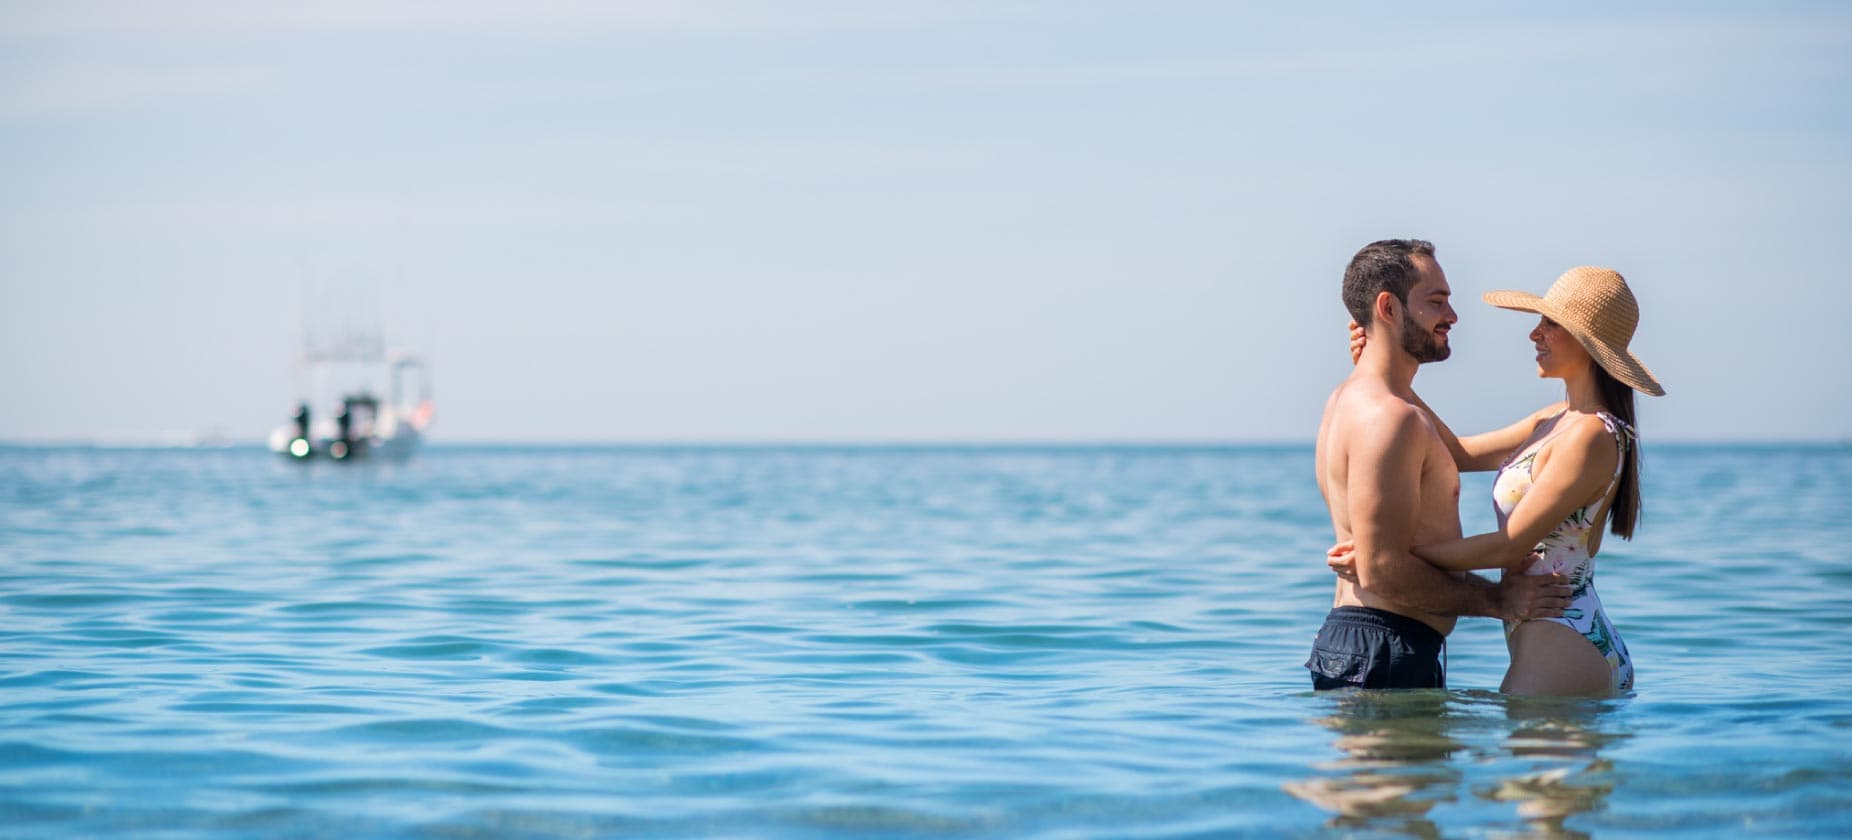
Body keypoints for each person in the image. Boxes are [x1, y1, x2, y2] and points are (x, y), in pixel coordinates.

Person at [1331, 266, 1664, 696]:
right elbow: (1457, 453)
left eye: (1550, 324)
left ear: (1586, 343)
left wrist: (1392, 557)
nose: (1534, 334)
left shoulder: (1591, 437)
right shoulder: (1553, 420)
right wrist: (1384, 374)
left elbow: (1510, 544)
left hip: (1564, 639)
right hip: (1555, 637)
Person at [1307, 239, 1572, 691]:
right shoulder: (1390, 419)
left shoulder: (1354, 403)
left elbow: (1458, 453)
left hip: (1374, 644)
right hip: (1383, 648)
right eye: (1436, 302)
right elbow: (1382, 569)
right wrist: (1498, 599)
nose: (1452, 317)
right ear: (1387, 308)